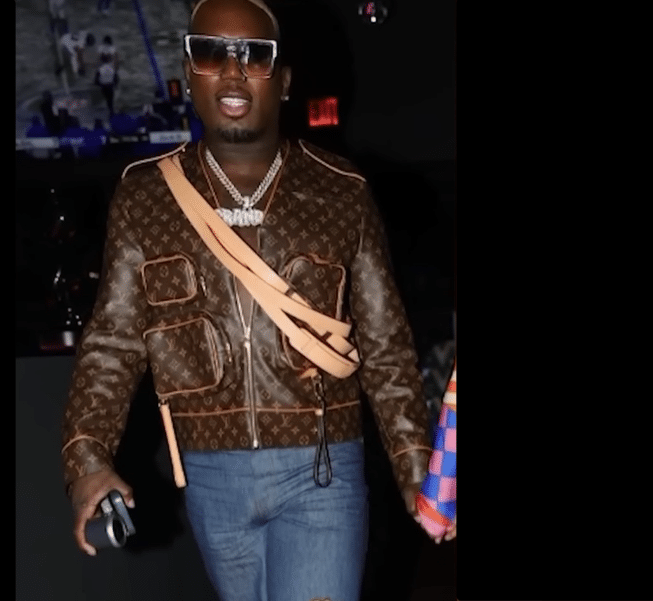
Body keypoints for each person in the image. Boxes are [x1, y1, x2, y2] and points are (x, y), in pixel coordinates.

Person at [61, 0, 434, 599]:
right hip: (210, 478)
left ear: (283, 81)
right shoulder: (145, 198)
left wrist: (416, 470)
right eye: (212, 52)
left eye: (254, 56)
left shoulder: (342, 193)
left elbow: (387, 347)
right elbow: (112, 343)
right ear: (190, 73)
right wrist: (86, 461)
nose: (233, 71)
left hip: (322, 468)